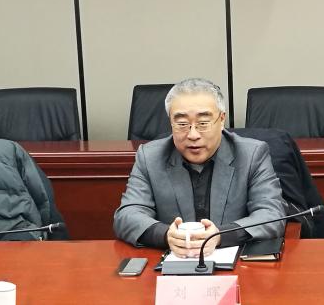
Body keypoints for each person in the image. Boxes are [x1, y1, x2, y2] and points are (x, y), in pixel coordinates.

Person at [114, 78, 285, 257]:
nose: (193, 135)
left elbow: (272, 214)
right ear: (170, 122)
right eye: (182, 124)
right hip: (173, 265)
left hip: (236, 265)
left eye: (203, 123)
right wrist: (166, 236)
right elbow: (127, 215)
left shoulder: (251, 154)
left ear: (221, 119)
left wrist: (220, 236)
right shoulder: (150, 157)